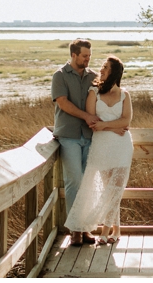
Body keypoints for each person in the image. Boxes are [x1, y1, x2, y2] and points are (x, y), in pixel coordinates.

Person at [63, 55, 133, 245]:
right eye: (102, 66)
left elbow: (126, 121)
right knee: (108, 190)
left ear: (114, 72)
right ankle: (115, 231)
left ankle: (105, 232)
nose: (101, 70)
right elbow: (92, 120)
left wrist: (106, 126)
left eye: (105, 67)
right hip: (102, 146)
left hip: (122, 146)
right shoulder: (94, 92)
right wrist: (112, 126)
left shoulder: (125, 95)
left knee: (116, 190)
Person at [51, 38, 99, 246]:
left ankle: (86, 228)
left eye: (89, 55)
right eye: (84, 56)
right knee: (74, 182)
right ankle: (75, 230)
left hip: (89, 137)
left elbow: (102, 101)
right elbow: (63, 103)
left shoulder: (94, 76)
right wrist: (86, 117)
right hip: (69, 136)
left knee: (87, 182)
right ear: (74, 55)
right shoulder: (59, 76)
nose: (88, 59)